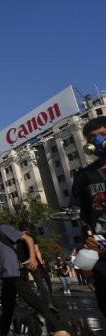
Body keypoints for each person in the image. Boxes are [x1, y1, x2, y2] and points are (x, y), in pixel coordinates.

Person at [0, 208, 72, 336]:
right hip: (7, 274)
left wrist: (32, 257)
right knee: (7, 305)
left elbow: (28, 238)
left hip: (16, 272)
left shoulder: (3, 228)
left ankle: (61, 331)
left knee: (34, 301)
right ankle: (1, 334)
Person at [71, 115, 106, 318]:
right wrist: (87, 234)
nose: (99, 141)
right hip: (100, 249)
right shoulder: (84, 176)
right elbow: (79, 211)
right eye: (93, 138)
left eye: (103, 135)